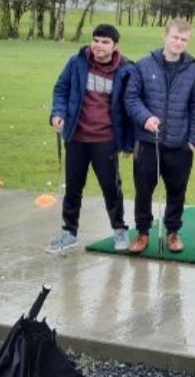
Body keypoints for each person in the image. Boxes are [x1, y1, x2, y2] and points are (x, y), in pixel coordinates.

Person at [47, 23, 134, 254]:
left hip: (105, 139)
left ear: (115, 46)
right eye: (96, 40)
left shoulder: (126, 70)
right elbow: (61, 90)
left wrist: (128, 142)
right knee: (73, 187)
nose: (98, 46)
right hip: (76, 136)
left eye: (105, 42)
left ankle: (119, 228)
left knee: (111, 187)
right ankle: (69, 231)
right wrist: (58, 113)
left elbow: (131, 105)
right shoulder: (77, 63)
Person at [123, 19, 195, 255]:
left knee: (177, 190)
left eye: (184, 40)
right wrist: (146, 118)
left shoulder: (192, 69)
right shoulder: (144, 65)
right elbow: (132, 98)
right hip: (148, 142)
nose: (178, 43)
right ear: (165, 36)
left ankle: (173, 232)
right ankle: (143, 233)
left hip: (179, 144)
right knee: (144, 190)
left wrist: (193, 139)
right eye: (175, 37)